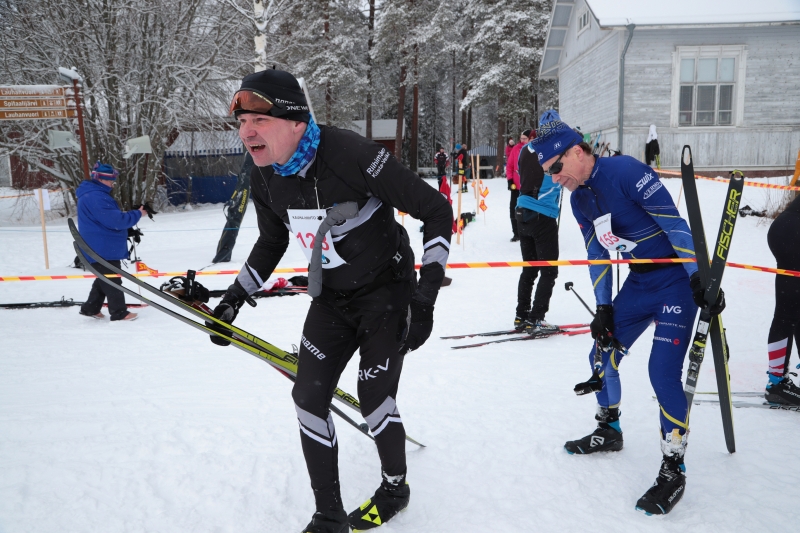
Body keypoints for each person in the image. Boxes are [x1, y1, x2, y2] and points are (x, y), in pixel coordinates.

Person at [212, 69, 452, 533]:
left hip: (387, 291)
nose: (246, 132)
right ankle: (328, 516)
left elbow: (436, 210)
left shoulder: (354, 155)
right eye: (241, 123)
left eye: (257, 120)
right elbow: (270, 243)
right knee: (307, 398)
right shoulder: (264, 175)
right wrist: (235, 297)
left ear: (296, 121)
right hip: (331, 298)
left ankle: (395, 488)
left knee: (374, 398)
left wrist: (424, 298)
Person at [531, 120, 725, 515]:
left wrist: (696, 279)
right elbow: (598, 254)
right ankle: (610, 428)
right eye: (547, 171)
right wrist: (603, 307)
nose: (554, 178)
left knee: (662, 371)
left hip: (674, 283)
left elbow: (675, 225)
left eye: (555, 168)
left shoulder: (626, 172)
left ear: (578, 152)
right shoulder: (579, 200)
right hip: (638, 285)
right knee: (600, 355)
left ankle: (673, 466)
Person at [77, 162, 145, 321]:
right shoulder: (96, 196)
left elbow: (106, 220)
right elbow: (116, 220)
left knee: (105, 277)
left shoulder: (92, 194)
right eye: (110, 180)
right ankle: (119, 312)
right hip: (102, 247)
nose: (112, 184)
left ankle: (90, 308)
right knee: (112, 278)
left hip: (101, 244)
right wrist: (137, 214)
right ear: (100, 179)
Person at [513, 115, 561, 333]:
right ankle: (536, 318)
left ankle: (521, 315)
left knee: (530, 268)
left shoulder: (526, 148)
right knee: (548, 270)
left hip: (522, 210)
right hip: (542, 213)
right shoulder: (553, 149)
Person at [765, 193, 800, 405]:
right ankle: (776, 383)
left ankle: (777, 381)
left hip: (788, 228)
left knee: (794, 308)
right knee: (787, 312)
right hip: (792, 232)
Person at [506, 130, 531, 242]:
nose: (522, 140)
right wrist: (510, 180)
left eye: (525, 138)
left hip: (529, 185)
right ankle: (516, 232)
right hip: (516, 186)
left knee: (528, 209)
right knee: (514, 208)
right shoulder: (516, 149)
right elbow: (510, 166)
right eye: (521, 138)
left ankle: (528, 231)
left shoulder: (533, 149)